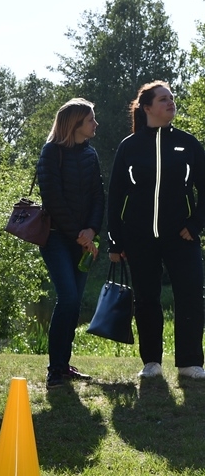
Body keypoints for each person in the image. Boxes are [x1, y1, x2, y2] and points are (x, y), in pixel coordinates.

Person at [107, 81, 205, 380]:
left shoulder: (188, 144)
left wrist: (195, 224)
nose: (171, 103)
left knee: (190, 295)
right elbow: (115, 196)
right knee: (146, 299)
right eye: (164, 100)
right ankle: (151, 362)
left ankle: (190, 362)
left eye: (172, 99)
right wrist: (114, 241)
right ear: (147, 107)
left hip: (182, 237)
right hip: (139, 238)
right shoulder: (130, 146)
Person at [36, 99, 104, 389]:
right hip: (56, 239)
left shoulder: (91, 154)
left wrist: (91, 230)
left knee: (74, 304)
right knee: (69, 298)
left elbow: (99, 197)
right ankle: (55, 370)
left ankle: (63, 366)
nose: (95, 125)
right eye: (91, 120)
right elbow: (53, 200)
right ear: (75, 124)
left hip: (83, 240)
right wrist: (79, 232)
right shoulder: (51, 153)